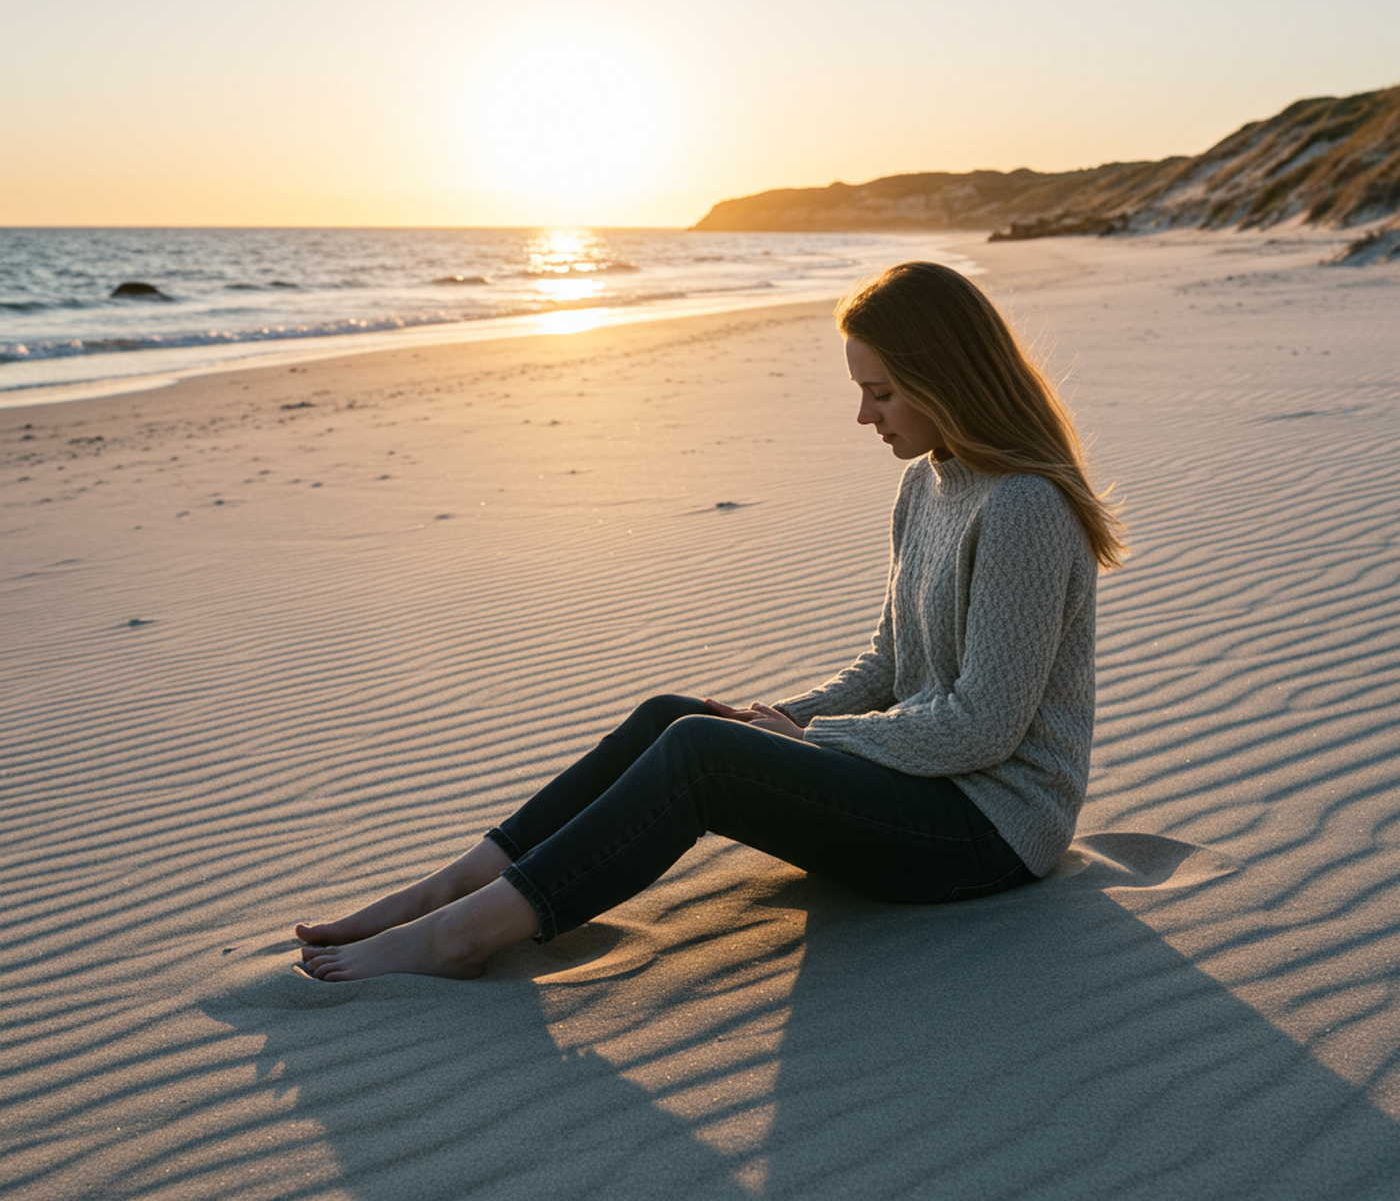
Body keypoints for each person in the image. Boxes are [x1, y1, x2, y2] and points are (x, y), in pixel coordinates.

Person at [297, 261, 1127, 982]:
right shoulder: (927, 484)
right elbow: (888, 662)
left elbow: (984, 727)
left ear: (947, 380)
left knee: (703, 754)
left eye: (882, 394)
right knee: (676, 717)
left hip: (991, 829)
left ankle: (460, 936)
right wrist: (780, 721)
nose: (865, 417)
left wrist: (811, 741)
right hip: (923, 788)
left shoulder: (1024, 506)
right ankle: (451, 888)